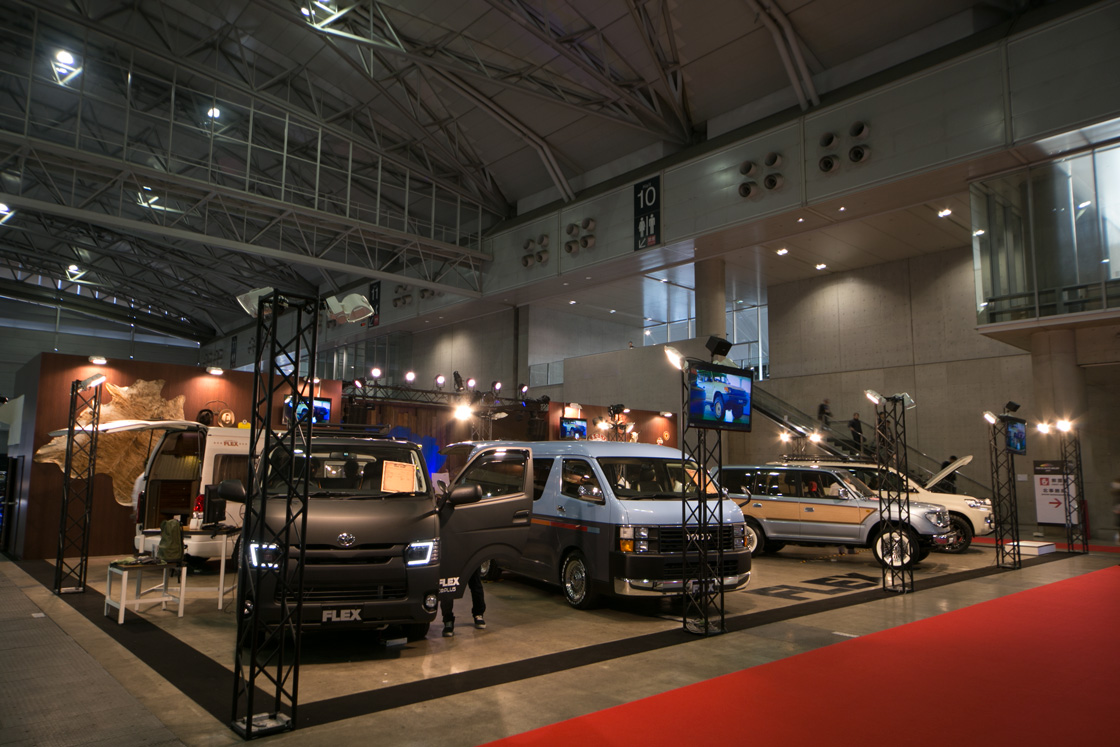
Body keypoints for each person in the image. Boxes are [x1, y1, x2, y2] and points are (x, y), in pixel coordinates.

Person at [441, 566, 486, 637]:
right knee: (448, 586)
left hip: (470, 559)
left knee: (475, 583)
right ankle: (448, 620)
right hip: (450, 560)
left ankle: (478, 614)